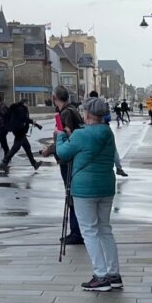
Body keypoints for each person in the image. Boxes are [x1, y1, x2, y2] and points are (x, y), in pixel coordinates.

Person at [42, 96, 122, 291]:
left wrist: (60, 135)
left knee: (89, 230)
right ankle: (114, 274)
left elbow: (62, 153)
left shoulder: (80, 135)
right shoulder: (107, 132)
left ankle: (100, 276)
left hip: (85, 188)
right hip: (106, 185)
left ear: (87, 113)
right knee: (105, 229)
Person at [52, 86, 84, 245]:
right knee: (72, 194)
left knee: (71, 195)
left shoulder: (66, 113)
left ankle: (76, 232)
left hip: (68, 160)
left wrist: (52, 149)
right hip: (70, 158)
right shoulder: (72, 110)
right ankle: (77, 231)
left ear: (54, 97)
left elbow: (67, 137)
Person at [0, 100, 40, 173]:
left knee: (27, 147)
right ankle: (4, 162)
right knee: (16, 148)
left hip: (17, 130)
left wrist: (32, 121)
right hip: (20, 131)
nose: (28, 105)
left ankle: (34, 164)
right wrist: (32, 121)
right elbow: (23, 118)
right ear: (24, 103)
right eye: (27, 103)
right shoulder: (21, 109)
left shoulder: (17, 108)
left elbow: (22, 119)